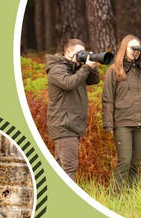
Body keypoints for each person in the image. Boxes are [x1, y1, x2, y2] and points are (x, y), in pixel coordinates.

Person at [102, 34, 141, 192]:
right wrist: (108, 124)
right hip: (123, 122)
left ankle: (131, 197)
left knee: (135, 163)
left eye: (138, 48)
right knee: (124, 161)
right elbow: (107, 98)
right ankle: (114, 197)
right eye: (133, 48)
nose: (135, 51)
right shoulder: (114, 71)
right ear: (124, 49)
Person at [45, 39, 100, 181]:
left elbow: (94, 81)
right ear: (68, 52)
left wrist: (92, 63)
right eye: (79, 53)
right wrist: (86, 67)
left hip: (70, 124)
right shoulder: (57, 69)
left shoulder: (74, 68)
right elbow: (68, 83)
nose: (82, 55)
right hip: (64, 125)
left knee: (61, 169)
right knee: (69, 168)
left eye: (83, 52)